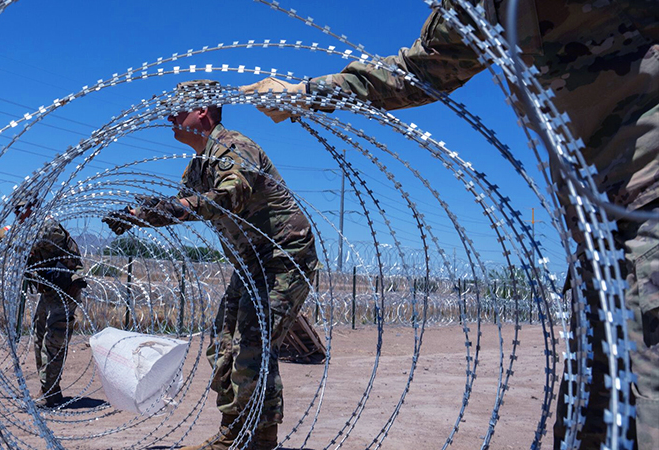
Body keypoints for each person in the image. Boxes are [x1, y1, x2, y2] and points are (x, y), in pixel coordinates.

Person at [240, 1, 658, 448]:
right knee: (589, 423)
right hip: (602, 234)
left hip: (646, 205)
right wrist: (303, 93)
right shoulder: (479, 10)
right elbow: (419, 72)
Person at [103, 79, 320, 450]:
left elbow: (229, 195)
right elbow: (183, 206)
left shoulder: (234, 147)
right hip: (251, 266)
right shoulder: (196, 170)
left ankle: (243, 437)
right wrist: (137, 216)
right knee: (222, 346)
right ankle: (248, 433)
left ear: (202, 111)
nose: (170, 116)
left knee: (251, 345)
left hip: (284, 257)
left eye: (178, 109)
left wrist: (170, 208)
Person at [0, 198, 86, 409]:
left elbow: (23, 242)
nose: (18, 213)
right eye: (16, 209)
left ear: (33, 207)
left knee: (54, 341)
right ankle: (49, 389)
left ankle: (50, 392)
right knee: (40, 337)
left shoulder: (47, 226)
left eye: (22, 208)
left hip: (66, 291)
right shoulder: (23, 228)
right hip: (50, 291)